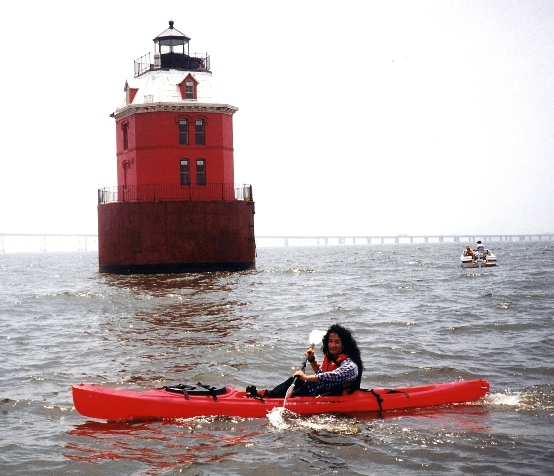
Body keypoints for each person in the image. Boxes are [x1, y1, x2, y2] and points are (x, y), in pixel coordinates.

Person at [250, 324, 364, 398]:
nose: (332, 345)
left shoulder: (350, 366)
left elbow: (333, 376)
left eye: (337, 342)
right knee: (295, 380)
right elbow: (321, 372)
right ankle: (268, 395)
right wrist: (312, 360)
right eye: (330, 341)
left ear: (344, 345)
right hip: (315, 389)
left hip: (329, 395)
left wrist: (305, 377)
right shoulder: (332, 358)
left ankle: (270, 399)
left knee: (299, 384)